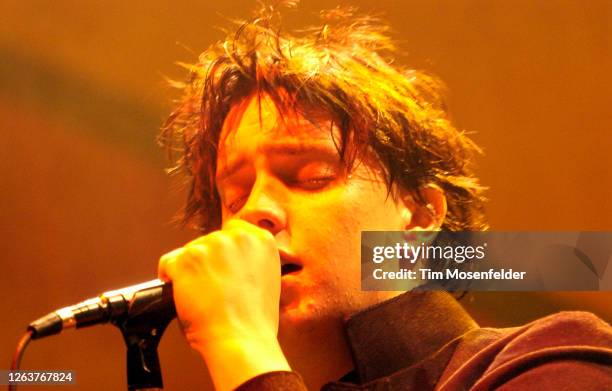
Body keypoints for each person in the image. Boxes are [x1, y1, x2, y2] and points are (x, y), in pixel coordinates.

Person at [157, 5, 612, 390]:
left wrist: (238, 344)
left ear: (418, 216)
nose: (255, 210)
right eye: (234, 199)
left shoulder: (551, 358)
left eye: (311, 176)